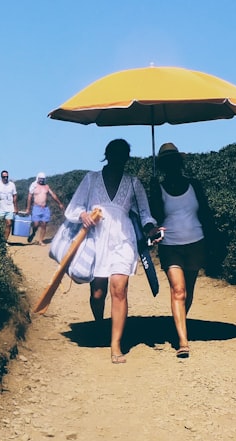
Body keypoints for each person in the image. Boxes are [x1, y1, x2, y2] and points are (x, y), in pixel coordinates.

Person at [64, 139, 162, 364]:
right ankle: (99, 324)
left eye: (123, 154)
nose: (119, 158)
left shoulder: (133, 183)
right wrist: (83, 215)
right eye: (115, 154)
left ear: (127, 157)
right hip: (96, 241)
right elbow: (74, 207)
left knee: (119, 289)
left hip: (123, 241)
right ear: (107, 155)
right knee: (98, 293)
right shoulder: (91, 179)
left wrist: (151, 228)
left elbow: (145, 214)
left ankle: (115, 344)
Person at [149, 142, 215, 359]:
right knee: (179, 291)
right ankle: (182, 341)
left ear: (179, 163)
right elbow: (156, 216)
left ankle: (179, 326)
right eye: (167, 163)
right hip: (171, 246)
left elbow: (205, 212)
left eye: (173, 162)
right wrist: (153, 191)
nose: (172, 166)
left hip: (197, 243)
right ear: (163, 167)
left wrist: (214, 241)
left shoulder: (195, 185)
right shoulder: (157, 188)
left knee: (189, 291)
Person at [24, 172, 64, 245]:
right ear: (37, 178)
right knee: (36, 224)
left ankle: (40, 240)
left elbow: (53, 195)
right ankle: (33, 233)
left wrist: (60, 203)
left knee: (44, 224)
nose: (41, 180)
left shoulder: (46, 187)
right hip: (36, 208)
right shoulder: (34, 186)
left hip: (45, 208)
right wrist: (28, 208)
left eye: (43, 179)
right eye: (40, 179)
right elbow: (29, 197)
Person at [0, 170, 18, 243]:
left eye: (7, 177)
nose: (5, 178)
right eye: (4, 177)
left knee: (9, 224)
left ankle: (4, 241)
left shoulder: (12, 185)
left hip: (10, 207)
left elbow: (15, 195)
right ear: (1, 177)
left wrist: (15, 208)